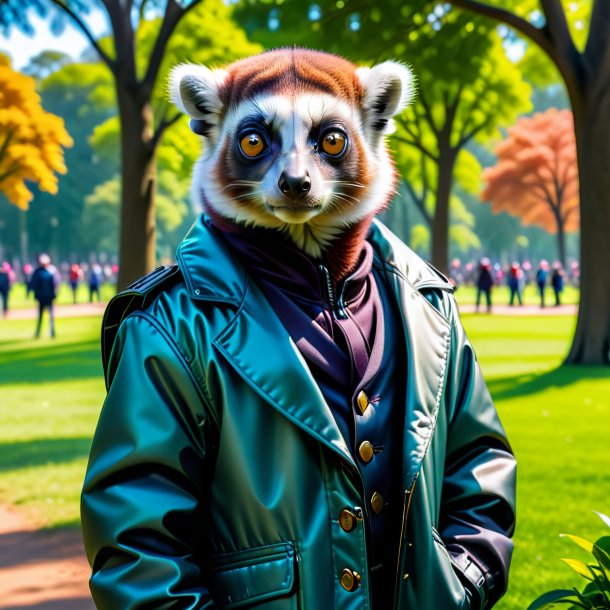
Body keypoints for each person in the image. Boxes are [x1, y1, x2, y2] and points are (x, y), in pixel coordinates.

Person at [82, 49, 516, 610]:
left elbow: (478, 463)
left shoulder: (425, 303)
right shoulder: (170, 324)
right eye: (256, 143)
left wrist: (463, 581)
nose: (294, 173)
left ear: (374, 126)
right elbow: (138, 548)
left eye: (329, 141)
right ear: (212, 133)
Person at [30, 253, 58, 338]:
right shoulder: (39, 272)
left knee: (50, 316)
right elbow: (34, 285)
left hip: (48, 296)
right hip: (42, 297)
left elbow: (55, 284)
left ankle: (52, 332)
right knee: (41, 316)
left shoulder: (50, 271)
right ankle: (38, 333)